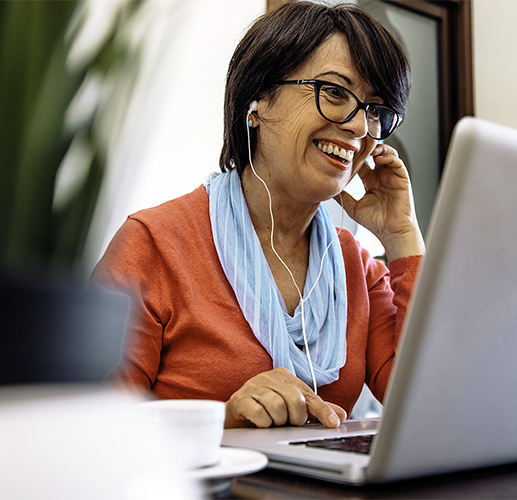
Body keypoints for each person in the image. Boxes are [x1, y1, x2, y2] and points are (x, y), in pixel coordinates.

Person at [92, 2, 425, 429]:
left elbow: (431, 402)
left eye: (375, 110)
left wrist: (402, 234)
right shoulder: (153, 244)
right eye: (336, 92)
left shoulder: (356, 267)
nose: (360, 127)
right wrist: (223, 421)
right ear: (259, 100)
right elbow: (92, 427)